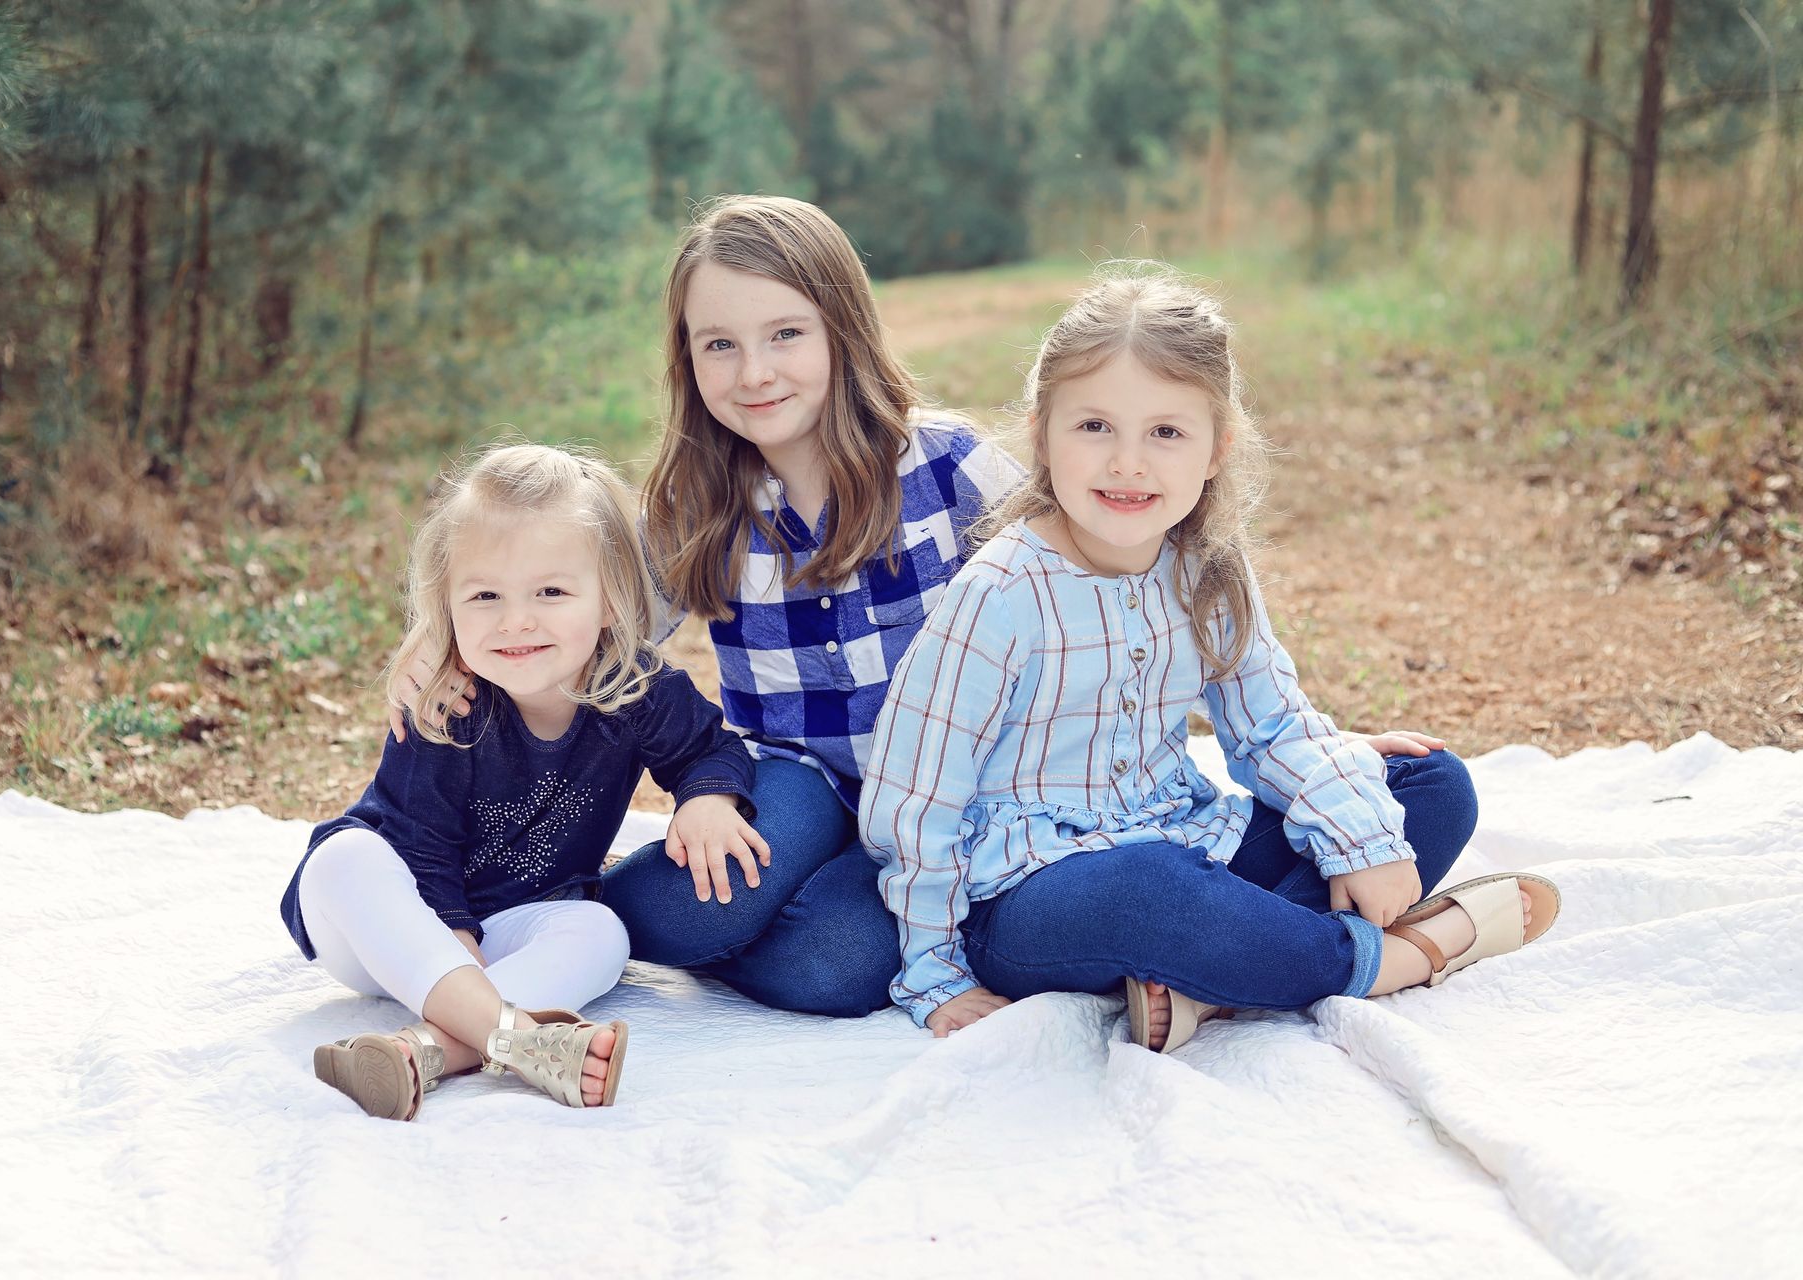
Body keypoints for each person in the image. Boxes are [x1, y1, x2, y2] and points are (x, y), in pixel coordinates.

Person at [859, 264, 1559, 1051]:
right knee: (1154, 891)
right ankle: (1396, 957)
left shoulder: (1207, 571)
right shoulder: (1001, 594)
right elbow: (915, 799)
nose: (1128, 463)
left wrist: (1359, 834)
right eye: (1094, 427)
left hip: (1184, 839)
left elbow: (1272, 728)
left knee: (1429, 786)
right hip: (1033, 902)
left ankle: (1212, 990)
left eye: (1166, 432)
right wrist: (935, 969)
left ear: (1217, 447)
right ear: (1042, 436)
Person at [393, 196, 1022, 1017]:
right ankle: (673, 917)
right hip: (798, 782)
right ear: (687, 360)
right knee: (665, 910)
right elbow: (582, 625)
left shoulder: (952, 467)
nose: (754, 373)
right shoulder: (698, 504)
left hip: (947, 791)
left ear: (844, 328)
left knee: (834, 968)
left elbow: (1071, 584)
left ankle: (913, 913)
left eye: (786, 334)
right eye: (719, 345)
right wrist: (441, 649)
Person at [282, 443, 759, 1118]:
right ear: (447, 605)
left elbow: (708, 748)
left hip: (506, 928)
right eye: (485, 596)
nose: (516, 621)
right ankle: (517, 1038)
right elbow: (419, 843)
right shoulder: (453, 701)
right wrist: (454, 945)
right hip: (386, 929)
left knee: (600, 931)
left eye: (551, 592)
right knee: (342, 859)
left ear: (610, 599)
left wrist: (708, 795)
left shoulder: (636, 691)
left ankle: (427, 1050)